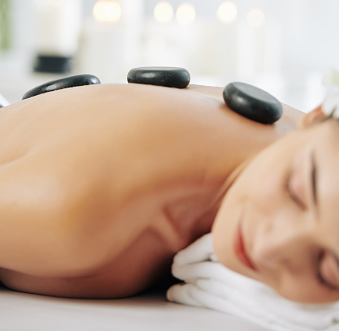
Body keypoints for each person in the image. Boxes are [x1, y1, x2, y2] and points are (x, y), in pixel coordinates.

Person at [0, 81, 336, 304]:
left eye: (329, 271)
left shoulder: (307, 137)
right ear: (315, 117)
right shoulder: (78, 210)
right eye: (296, 193)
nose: (267, 250)